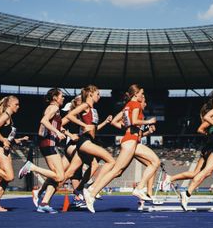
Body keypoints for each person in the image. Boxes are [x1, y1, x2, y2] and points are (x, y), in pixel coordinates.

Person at [82, 84, 159, 213]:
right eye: (141, 93)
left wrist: (130, 128)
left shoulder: (127, 106)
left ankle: (139, 188)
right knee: (115, 171)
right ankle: (92, 192)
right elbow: (134, 121)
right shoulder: (135, 105)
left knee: (153, 163)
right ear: (136, 94)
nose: (143, 96)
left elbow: (115, 122)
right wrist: (148, 122)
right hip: (130, 141)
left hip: (132, 141)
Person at [64, 85, 116, 213]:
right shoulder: (85, 105)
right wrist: (83, 125)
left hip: (89, 141)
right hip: (84, 141)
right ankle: (92, 188)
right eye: (98, 94)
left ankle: (43, 191)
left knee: (90, 166)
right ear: (90, 94)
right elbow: (70, 116)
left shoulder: (93, 109)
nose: (100, 96)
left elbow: (94, 129)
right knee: (111, 161)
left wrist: (105, 122)